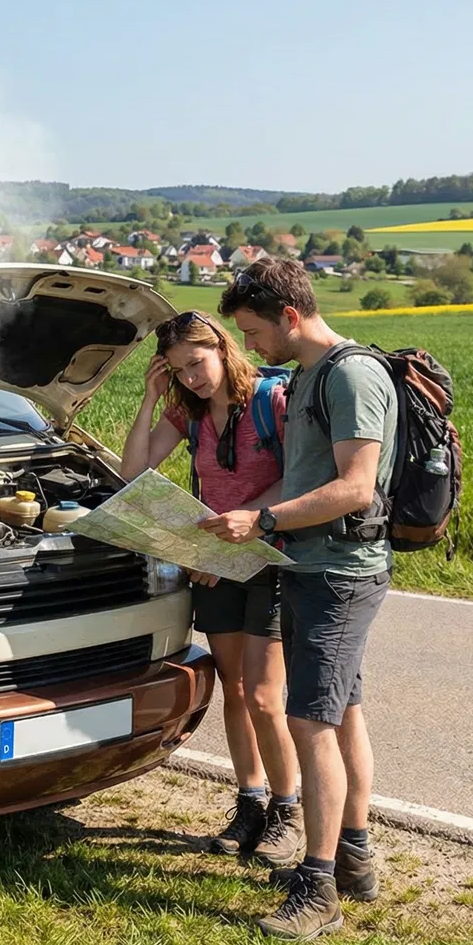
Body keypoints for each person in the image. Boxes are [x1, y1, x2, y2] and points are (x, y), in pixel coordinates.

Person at [201, 259, 396, 942]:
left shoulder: (351, 375)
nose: (248, 346)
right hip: (313, 566)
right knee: (342, 713)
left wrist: (264, 520)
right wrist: (259, 520)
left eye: (253, 331)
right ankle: (354, 856)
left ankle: (318, 888)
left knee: (309, 722)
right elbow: (307, 477)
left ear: (289, 316)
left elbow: (355, 488)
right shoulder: (310, 375)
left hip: (339, 573)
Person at [120, 311, 303, 868]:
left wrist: (244, 521)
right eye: (179, 370)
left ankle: (287, 810)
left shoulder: (273, 401)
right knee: (236, 690)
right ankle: (250, 804)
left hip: (270, 560)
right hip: (217, 566)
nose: (192, 378)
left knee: (266, 697)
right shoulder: (188, 411)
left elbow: (300, 476)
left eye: (197, 363)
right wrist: (150, 401)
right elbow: (133, 475)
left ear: (222, 347)